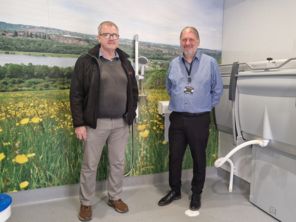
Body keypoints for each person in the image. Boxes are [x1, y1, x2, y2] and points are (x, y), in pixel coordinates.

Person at [70, 21, 138, 221]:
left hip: (121, 123)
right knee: (90, 165)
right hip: (95, 123)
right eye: (106, 34)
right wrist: (79, 123)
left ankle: (115, 197)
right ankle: (86, 203)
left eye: (115, 34)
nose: (111, 38)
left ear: (118, 37)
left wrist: (130, 114)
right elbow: (76, 94)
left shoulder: (125, 61)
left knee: (117, 163)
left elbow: (133, 91)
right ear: (98, 37)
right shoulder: (86, 61)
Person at [158, 26, 223, 211]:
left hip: (199, 119)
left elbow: (217, 89)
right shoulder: (173, 64)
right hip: (177, 118)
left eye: (191, 39)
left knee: (198, 158)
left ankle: (196, 193)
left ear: (198, 42)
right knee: (175, 157)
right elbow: (169, 87)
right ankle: (175, 190)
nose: (187, 43)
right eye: (184, 39)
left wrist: (204, 106)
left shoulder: (210, 63)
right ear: (180, 42)